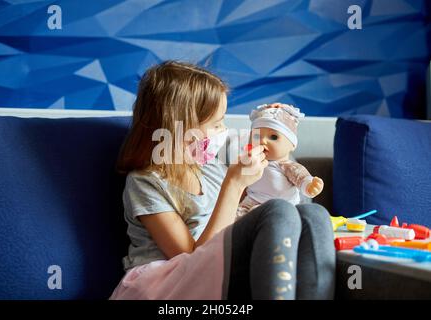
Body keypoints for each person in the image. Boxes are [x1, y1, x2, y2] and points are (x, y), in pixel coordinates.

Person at [110, 60, 335, 300]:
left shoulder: (210, 168)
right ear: (181, 128)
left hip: (219, 268)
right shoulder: (145, 182)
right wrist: (234, 184)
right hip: (167, 284)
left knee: (313, 215)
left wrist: (275, 124)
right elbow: (191, 258)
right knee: (277, 211)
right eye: (216, 123)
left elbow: (256, 210)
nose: (223, 130)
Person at [236, 103, 324, 218]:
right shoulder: (252, 162)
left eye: (273, 137)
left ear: (292, 144)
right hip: (250, 202)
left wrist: (309, 184)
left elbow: (299, 176)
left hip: (282, 208)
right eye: (257, 136)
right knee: (233, 218)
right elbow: (242, 185)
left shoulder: (286, 166)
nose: (263, 141)